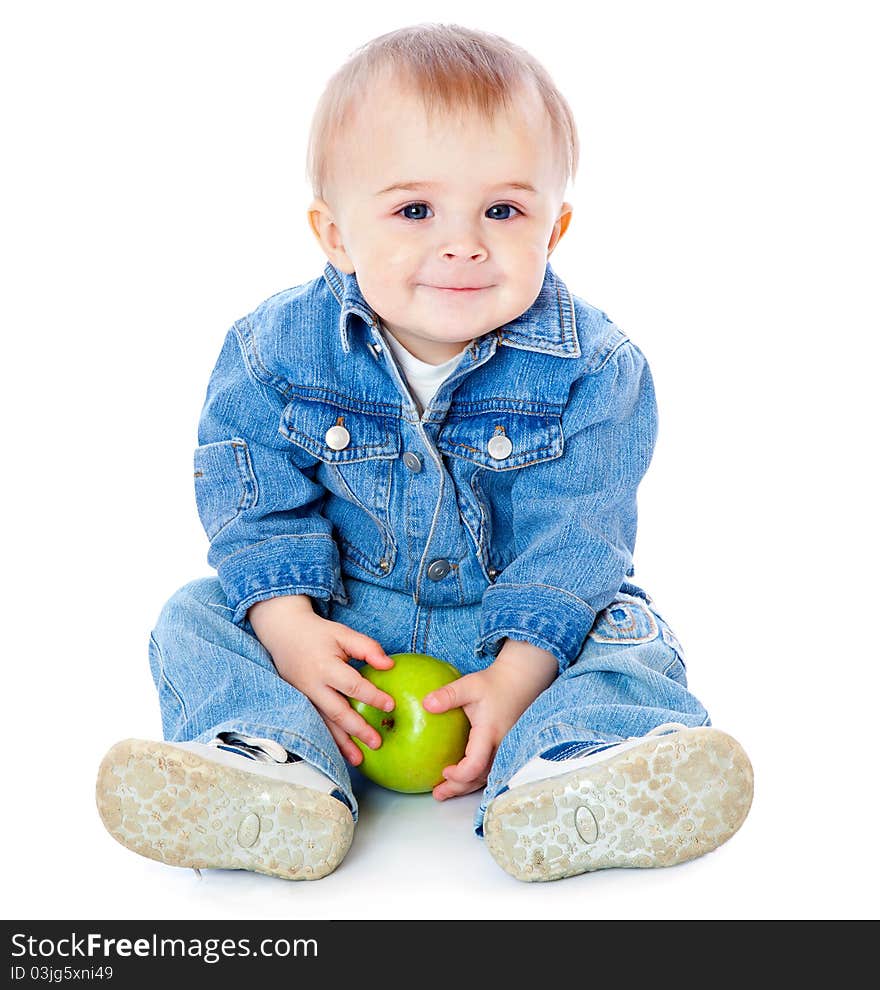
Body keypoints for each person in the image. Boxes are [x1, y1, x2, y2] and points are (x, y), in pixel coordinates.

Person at [96, 22, 753, 883]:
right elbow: (252, 500)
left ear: (553, 229)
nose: (464, 243)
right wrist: (291, 629)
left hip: (517, 628)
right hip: (342, 630)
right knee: (200, 613)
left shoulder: (596, 369)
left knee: (630, 635)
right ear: (334, 234)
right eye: (414, 211)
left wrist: (521, 674)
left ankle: (570, 763)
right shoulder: (275, 348)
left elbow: (579, 538)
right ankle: (270, 761)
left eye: (503, 211)